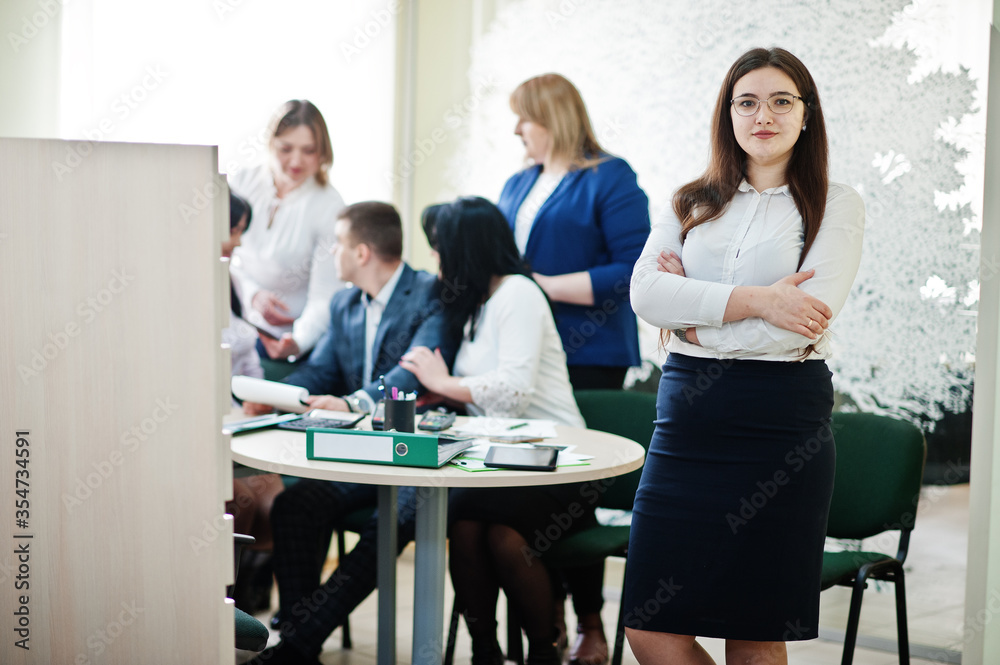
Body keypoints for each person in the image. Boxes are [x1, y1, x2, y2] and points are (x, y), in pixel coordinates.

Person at [623, 48, 865, 665]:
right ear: (727, 115)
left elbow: (800, 328)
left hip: (779, 426)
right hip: (685, 426)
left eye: (782, 100)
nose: (764, 115)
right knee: (649, 626)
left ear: (806, 115)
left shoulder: (835, 204)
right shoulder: (690, 202)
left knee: (752, 632)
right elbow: (646, 293)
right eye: (747, 101)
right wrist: (759, 300)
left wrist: (694, 324)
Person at [246, 201, 451, 665]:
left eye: (336, 243)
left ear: (361, 252)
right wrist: (273, 395)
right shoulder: (344, 303)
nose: (331, 254)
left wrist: (356, 401)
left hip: (412, 454)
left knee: (391, 523)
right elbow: (320, 372)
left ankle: (296, 644)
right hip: (357, 454)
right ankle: (301, 646)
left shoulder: (429, 294)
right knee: (293, 507)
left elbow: (411, 373)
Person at [496, 72, 650, 665]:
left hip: (588, 355)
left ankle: (590, 623)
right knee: (529, 491)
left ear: (552, 118)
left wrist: (544, 289)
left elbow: (637, 267)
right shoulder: (518, 183)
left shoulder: (609, 177)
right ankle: (544, 620)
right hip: (523, 357)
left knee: (574, 493)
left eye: (524, 119)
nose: (516, 131)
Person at [400, 196, 589, 665]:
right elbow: (483, 393)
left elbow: (513, 391)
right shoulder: (478, 306)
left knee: (502, 536)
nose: (436, 259)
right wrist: (443, 393)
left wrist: (444, 383)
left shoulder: (518, 293)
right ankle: (486, 651)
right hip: (504, 461)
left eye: (441, 248)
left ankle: (544, 651)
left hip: (559, 461)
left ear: (466, 249)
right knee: (464, 528)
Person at [229, 99, 346, 362]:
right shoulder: (243, 181)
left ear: (323, 152)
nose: (296, 161)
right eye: (286, 148)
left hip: (293, 340)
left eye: (308, 150)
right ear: (270, 142)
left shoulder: (330, 206)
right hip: (237, 323)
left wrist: (297, 342)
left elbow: (325, 295)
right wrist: (252, 295)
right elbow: (221, 257)